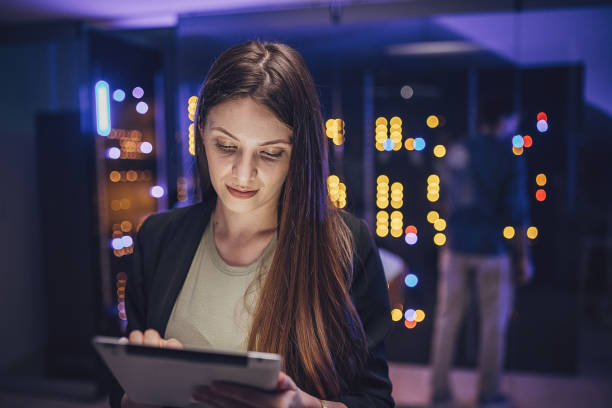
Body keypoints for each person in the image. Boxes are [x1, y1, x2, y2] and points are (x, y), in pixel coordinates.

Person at [108, 41, 395, 408]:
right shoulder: (158, 238)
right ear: (202, 138)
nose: (243, 175)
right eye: (226, 146)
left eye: (271, 153)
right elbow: (120, 390)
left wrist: (307, 406)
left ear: (298, 156)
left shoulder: (346, 245)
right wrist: (136, 395)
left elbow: (376, 401)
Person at [429, 97, 533, 408]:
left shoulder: (459, 150)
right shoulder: (508, 156)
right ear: (505, 120)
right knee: (492, 324)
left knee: (447, 320)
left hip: (456, 244)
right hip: (491, 247)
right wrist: (524, 257)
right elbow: (517, 212)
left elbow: (444, 200)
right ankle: (489, 393)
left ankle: (439, 391)